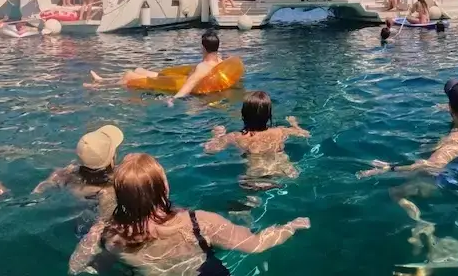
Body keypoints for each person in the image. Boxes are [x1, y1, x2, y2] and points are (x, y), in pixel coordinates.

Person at [69, 153, 310, 276]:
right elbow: (255, 245)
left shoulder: (106, 234)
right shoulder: (199, 222)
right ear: (164, 188)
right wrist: (292, 226)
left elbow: (77, 268)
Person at [358, 79, 458, 178]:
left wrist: (390, 168)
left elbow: (433, 165)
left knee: (402, 189)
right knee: (431, 145)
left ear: (451, 107)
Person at [204, 91, 310, 190]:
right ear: (269, 116)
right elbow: (305, 134)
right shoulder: (281, 131)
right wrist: (294, 123)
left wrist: (218, 135)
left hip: (257, 177)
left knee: (248, 202)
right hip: (285, 171)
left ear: (243, 114)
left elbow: (210, 150)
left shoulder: (235, 136)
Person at [88, 31, 223, 104]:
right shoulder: (219, 61)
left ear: (203, 47)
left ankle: (101, 86)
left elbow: (189, 85)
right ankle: (104, 79)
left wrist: (173, 99)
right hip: (180, 78)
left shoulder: (202, 67)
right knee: (139, 70)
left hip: (180, 85)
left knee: (129, 75)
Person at [33, 125, 123, 219]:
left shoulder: (66, 174)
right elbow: (103, 223)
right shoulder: (109, 190)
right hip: (94, 223)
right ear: (113, 158)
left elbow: (42, 187)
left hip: (74, 214)